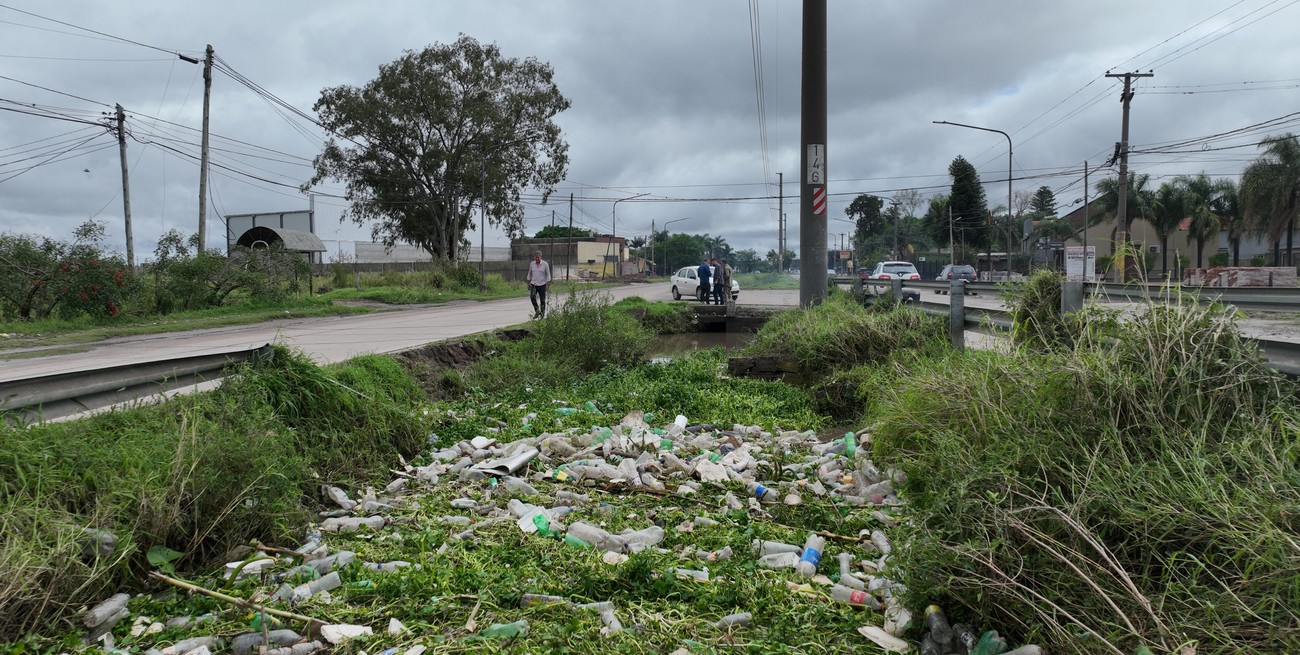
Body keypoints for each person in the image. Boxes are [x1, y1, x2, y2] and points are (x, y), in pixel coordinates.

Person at [526, 250, 552, 319]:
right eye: (536, 257)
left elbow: (548, 275)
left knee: (542, 300)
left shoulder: (545, 264)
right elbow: (529, 273)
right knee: (532, 297)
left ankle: (542, 314)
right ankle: (537, 311)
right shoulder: (532, 264)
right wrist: (528, 283)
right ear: (534, 257)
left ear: (541, 257)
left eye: (538, 257)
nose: (537, 259)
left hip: (542, 284)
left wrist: (547, 284)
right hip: (534, 284)